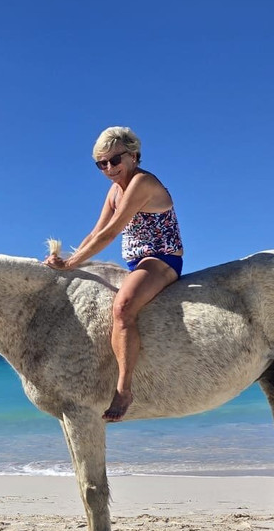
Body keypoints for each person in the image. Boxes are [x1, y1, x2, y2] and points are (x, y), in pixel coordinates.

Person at [44, 125, 183, 422]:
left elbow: (111, 232)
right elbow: (95, 231)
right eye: (101, 164)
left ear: (133, 156)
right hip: (135, 264)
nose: (109, 168)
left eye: (115, 160)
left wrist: (71, 264)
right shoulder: (114, 191)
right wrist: (69, 261)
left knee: (122, 308)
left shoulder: (142, 183)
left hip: (161, 259)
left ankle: (124, 389)